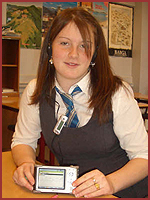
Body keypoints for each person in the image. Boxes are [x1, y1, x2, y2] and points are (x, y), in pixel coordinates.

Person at [11, 7, 148, 198]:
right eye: (65, 43)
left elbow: (144, 157)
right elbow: (23, 141)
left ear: (94, 54)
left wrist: (110, 183)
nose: (74, 54)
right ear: (50, 47)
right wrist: (26, 163)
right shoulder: (35, 90)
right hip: (75, 193)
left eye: (84, 45)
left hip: (124, 192)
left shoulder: (116, 92)